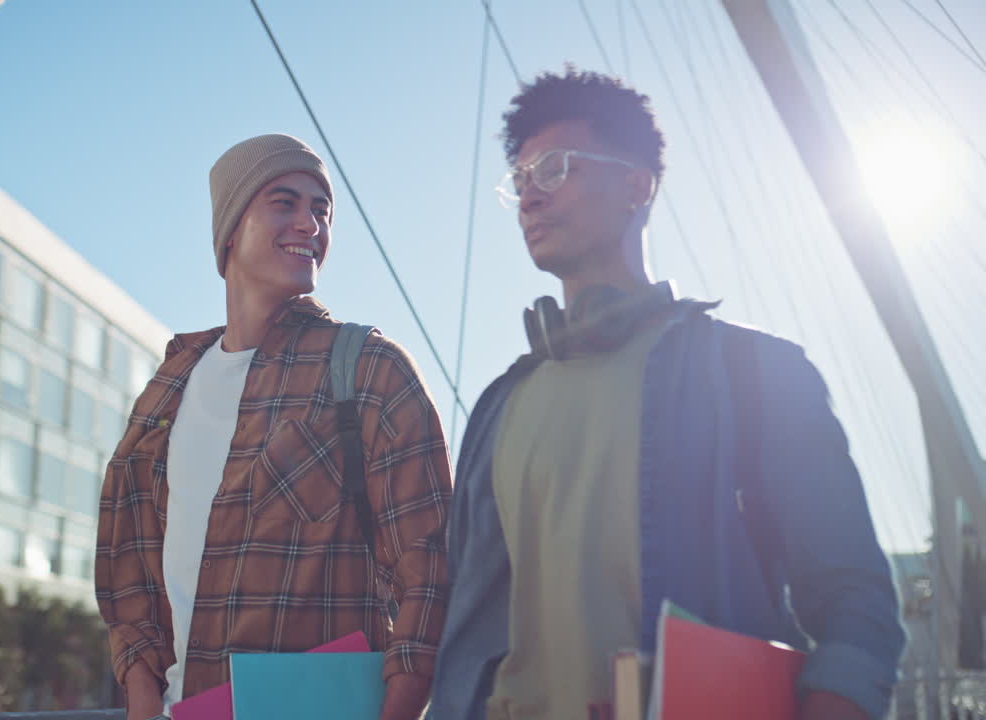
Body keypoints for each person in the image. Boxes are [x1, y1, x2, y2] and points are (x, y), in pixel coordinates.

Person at [428, 69, 904, 720]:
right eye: (520, 179)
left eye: (555, 168)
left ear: (636, 185)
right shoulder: (498, 405)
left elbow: (856, 604)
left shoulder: (757, 372)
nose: (529, 197)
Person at [96, 133, 451, 720]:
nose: (310, 224)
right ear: (230, 229)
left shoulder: (369, 369)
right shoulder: (168, 388)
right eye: (284, 202)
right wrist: (142, 700)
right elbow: (128, 562)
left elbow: (430, 569)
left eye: (322, 210)